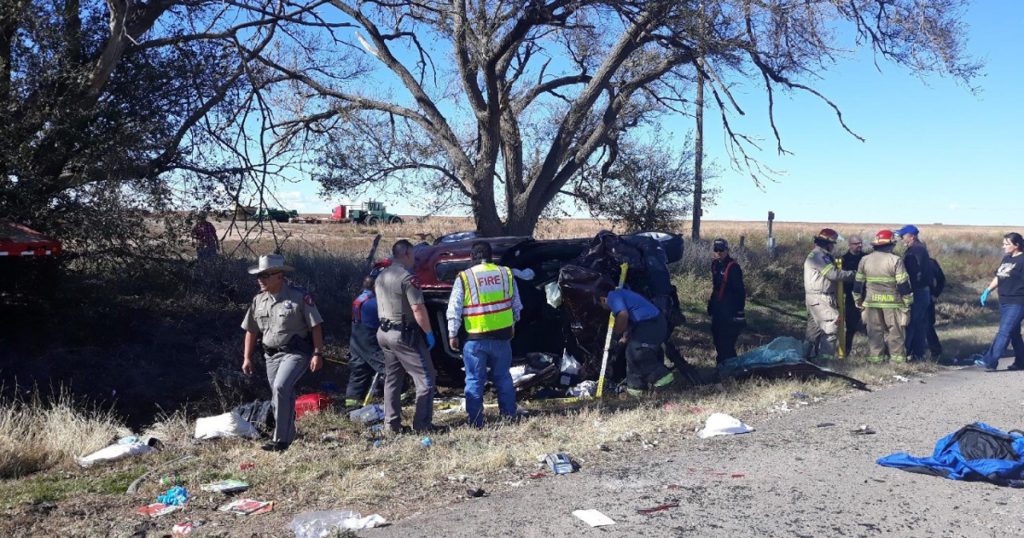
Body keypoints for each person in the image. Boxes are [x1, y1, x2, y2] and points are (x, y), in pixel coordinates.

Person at [240, 254, 324, 451]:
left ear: (279, 275)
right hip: (270, 356)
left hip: (295, 353)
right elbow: (251, 330)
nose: (260, 280)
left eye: (265, 276)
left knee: (281, 387)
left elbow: (316, 326)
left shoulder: (298, 297)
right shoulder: (258, 300)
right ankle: (289, 433)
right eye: (259, 276)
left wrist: (317, 353)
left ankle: (280, 441)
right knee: (279, 395)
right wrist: (247, 357)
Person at [446, 241, 522, 427]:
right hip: (502, 337)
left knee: (474, 380)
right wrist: (512, 325)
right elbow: (516, 304)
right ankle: (509, 416)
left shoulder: (465, 277)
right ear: (491, 256)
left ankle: (476, 422)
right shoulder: (505, 274)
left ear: (472, 257)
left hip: (475, 338)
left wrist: (452, 333)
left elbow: (454, 308)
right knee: (503, 377)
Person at [375, 239, 439, 433]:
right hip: (404, 335)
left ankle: (391, 425)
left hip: (383, 333)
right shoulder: (407, 278)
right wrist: (428, 333)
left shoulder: (381, 275)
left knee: (392, 379)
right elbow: (418, 309)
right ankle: (422, 425)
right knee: (426, 378)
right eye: (413, 255)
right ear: (408, 254)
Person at [599, 287, 675, 395]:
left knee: (638, 353)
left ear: (602, 299)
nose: (604, 309)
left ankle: (663, 378)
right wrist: (620, 342)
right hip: (648, 324)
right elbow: (630, 325)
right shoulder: (623, 297)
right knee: (631, 354)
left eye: (601, 306)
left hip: (652, 323)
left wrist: (615, 334)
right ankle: (636, 390)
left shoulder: (613, 296)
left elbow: (623, 316)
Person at [852, 230, 913, 363]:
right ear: (890, 245)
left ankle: (876, 359)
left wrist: (857, 299)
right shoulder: (895, 260)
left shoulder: (865, 260)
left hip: (871, 303)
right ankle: (897, 361)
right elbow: (903, 283)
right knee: (895, 333)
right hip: (893, 304)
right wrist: (908, 301)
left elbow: (858, 282)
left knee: (874, 332)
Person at [973, 232, 1024, 371]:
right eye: (1003, 244)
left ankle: (990, 361)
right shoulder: (1007, 259)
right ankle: (1021, 362)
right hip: (1004, 301)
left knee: (1004, 331)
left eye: (1007, 244)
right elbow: (999, 276)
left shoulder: (1022, 261)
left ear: (1016, 245)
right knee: (1013, 333)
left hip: (1018, 302)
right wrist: (987, 290)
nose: (1003, 247)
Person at [803, 228, 856, 361]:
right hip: (820, 297)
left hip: (816, 297)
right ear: (827, 244)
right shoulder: (819, 257)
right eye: (832, 244)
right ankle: (825, 362)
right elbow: (833, 274)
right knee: (830, 327)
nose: (833, 247)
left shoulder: (818, 255)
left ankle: (804, 359)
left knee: (813, 332)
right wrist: (853, 275)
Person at [344, 273, 386, 408]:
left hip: (356, 338)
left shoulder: (361, 298)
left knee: (359, 369)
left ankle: (352, 403)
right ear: (375, 286)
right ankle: (401, 396)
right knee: (388, 365)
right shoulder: (373, 302)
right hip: (368, 337)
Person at [895, 225, 934, 361]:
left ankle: (906, 353)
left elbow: (915, 273)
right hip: (922, 291)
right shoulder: (918, 248)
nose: (901, 238)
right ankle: (917, 354)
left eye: (903, 236)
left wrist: (907, 290)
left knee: (911, 323)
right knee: (918, 323)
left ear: (912, 236)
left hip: (918, 292)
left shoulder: (916, 250)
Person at [707, 238, 745, 363]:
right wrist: (711, 304)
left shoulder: (733, 267)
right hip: (718, 309)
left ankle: (731, 368)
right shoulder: (715, 265)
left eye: (721, 250)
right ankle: (722, 366)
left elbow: (740, 292)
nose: (718, 252)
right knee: (717, 339)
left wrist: (738, 312)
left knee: (727, 344)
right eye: (716, 249)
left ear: (727, 250)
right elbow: (716, 287)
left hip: (730, 310)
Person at [840, 235, 867, 354]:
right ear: (850, 245)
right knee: (850, 327)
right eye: (856, 244)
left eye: (860, 243)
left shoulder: (865, 258)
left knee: (870, 326)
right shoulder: (844, 259)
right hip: (851, 297)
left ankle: (874, 352)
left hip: (866, 295)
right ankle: (846, 351)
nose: (859, 245)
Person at [927, 257, 946, 359]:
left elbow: (941, 279)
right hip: (913, 298)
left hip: (928, 298)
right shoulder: (906, 259)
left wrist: (935, 294)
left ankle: (936, 351)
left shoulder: (931, 263)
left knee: (928, 326)